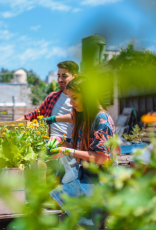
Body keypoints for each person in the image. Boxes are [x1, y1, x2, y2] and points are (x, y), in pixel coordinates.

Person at [47, 76, 116, 227]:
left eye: (75, 98)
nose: (71, 103)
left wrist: (67, 151)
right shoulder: (84, 117)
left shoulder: (101, 119)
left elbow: (102, 158)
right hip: (86, 176)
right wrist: (60, 141)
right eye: (70, 98)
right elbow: (78, 147)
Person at [17, 60, 79, 140]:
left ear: (75, 76)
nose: (60, 79)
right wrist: (13, 123)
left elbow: (78, 117)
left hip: (71, 143)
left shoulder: (80, 98)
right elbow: (35, 114)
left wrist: (52, 118)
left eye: (64, 76)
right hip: (49, 141)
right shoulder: (52, 97)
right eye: (58, 76)